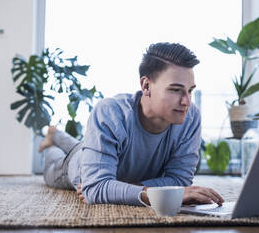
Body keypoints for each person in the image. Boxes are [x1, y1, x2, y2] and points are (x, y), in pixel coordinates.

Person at [39, 42, 224, 207]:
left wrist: (122, 188)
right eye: (175, 90)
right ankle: (52, 140)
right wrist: (150, 191)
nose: (186, 101)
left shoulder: (190, 117)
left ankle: (55, 134)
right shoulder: (110, 113)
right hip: (76, 165)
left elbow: (179, 181)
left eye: (190, 90)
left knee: (81, 145)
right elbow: (94, 188)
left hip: (102, 155)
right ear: (145, 86)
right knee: (53, 161)